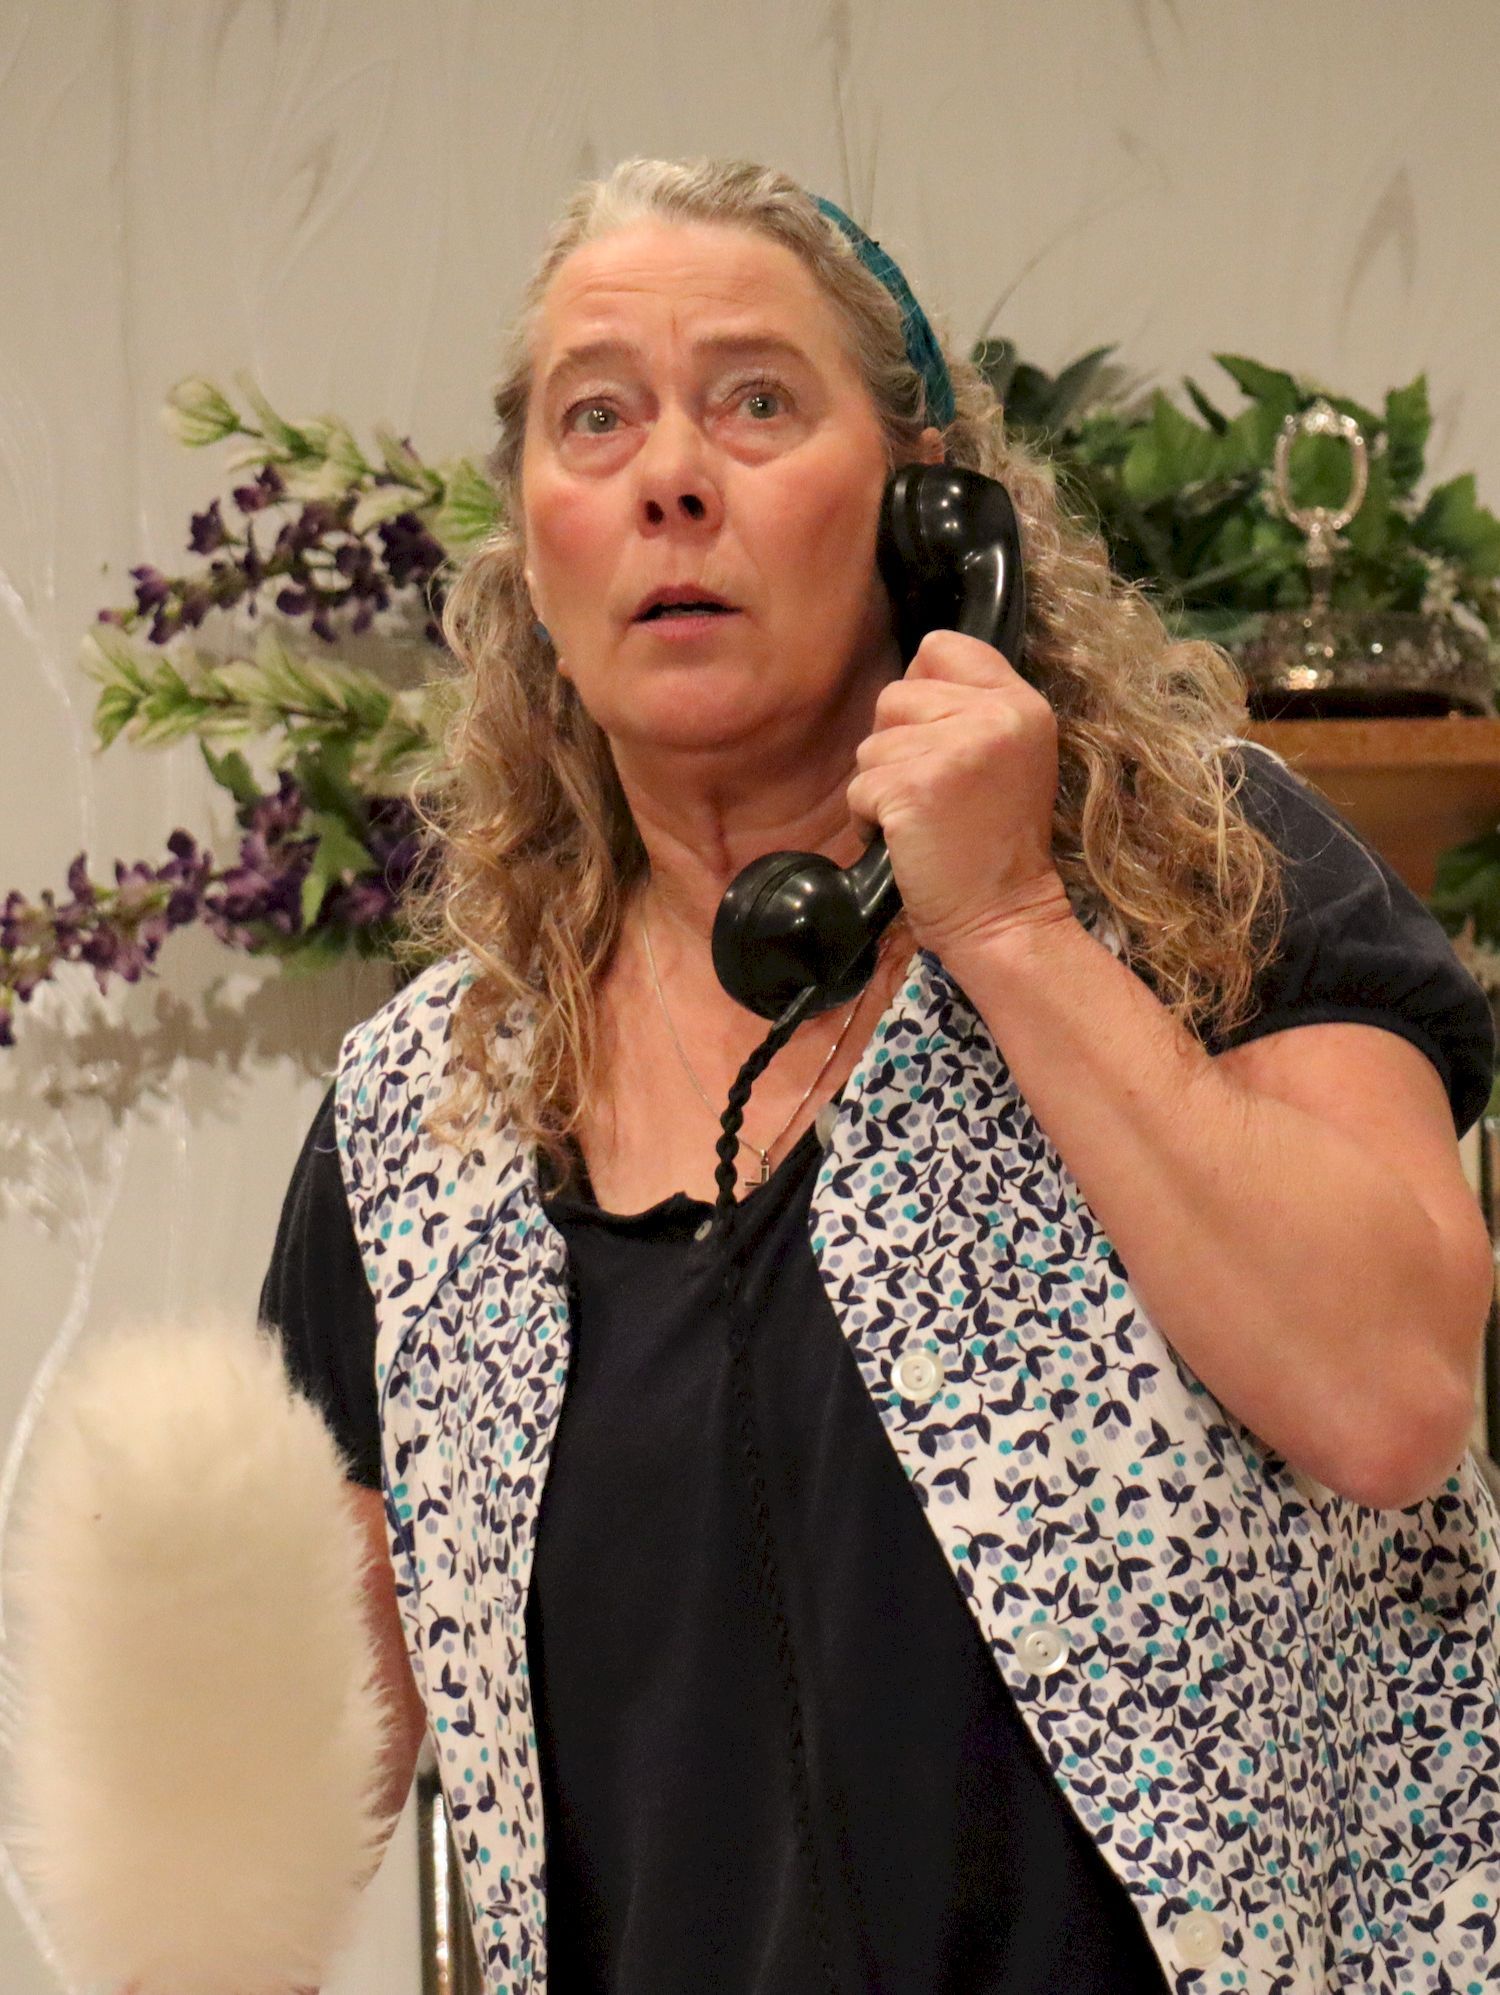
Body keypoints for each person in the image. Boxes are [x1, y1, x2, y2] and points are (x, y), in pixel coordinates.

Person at [263, 158, 1500, 1995]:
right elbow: (277, 1788)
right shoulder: (417, 1116)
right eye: (595, 418)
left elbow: (1391, 1397)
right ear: (533, 544)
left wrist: (1007, 922)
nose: (671, 475)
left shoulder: (1206, 877)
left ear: (928, 510)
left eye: (757, 401)